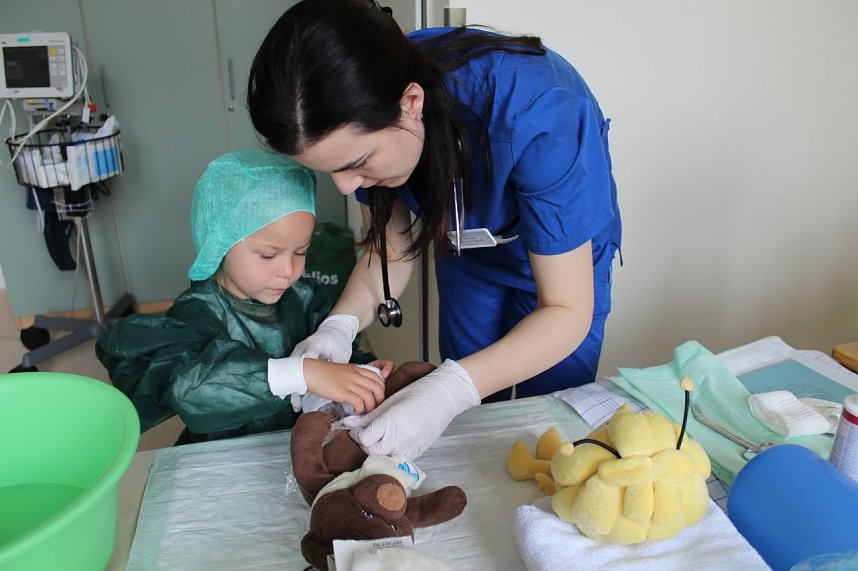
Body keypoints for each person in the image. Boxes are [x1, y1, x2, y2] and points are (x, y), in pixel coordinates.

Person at [246, 0, 621, 459]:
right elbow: (388, 251)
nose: (346, 187)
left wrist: (450, 390)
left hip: (567, 266)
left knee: (553, 429)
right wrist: (339, 326)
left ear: (411, 104)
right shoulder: (368, 95)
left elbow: (566, 310)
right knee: (463, 425)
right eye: (332, 173)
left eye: (358, 164)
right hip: (469, 255)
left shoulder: (538, 112)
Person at [96, 150, 391, 444]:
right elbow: (190, 388)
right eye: (268, 255)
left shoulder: (305, 299)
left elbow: (334, 361)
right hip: (226, 455)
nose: (288, 270)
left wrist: (360, 373)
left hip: (299, 446)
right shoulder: (199, 311)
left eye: (301, 252)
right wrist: (299, 374)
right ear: (220, 243)